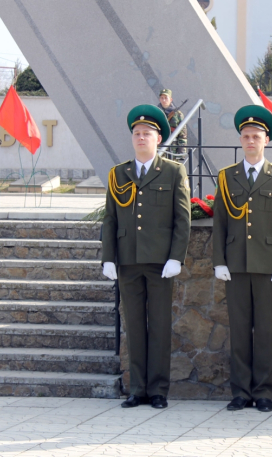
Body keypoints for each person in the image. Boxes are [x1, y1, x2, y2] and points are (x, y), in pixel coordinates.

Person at [101, 104, 192, 409]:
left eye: (147, 134)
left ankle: (158, 390)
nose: (141, 138)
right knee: (135, 327)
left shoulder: (173, 171)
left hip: (160, 262)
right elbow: (110, 219)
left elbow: (182, 219)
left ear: (158, 139)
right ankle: (137, 389)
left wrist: (176, 257)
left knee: (160, 326)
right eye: (137, 133)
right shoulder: (119, 173)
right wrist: (109, 258)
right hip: (128, 261)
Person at [213, 105, 272, 413]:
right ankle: (240, 392)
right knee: (238, 330)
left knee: (264, 331)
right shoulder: (227, 177)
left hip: (267, 264)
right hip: (235, 264)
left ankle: (263, 392)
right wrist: (219, 261)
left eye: (256, 137)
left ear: (266, 141)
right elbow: (220, 222)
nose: (250, 141)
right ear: (240, 140)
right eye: (246, 136)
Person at [157, 88, 188, 160]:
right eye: (162, 98)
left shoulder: (178, 115)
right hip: (158, 149)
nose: (164, 100)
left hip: (173, 150)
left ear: (171, 99)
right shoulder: (155, 113)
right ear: (159, 99)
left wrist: (181, 153)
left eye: (166, 98)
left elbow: (182, 135)